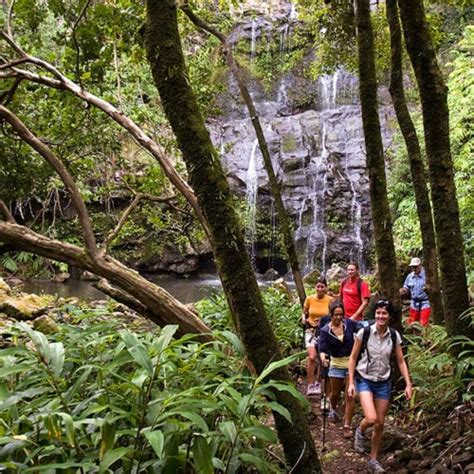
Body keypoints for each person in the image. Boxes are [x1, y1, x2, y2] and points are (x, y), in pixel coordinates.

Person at [348, 300, 413, 473]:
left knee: (380, 424)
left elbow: (400, 360)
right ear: (374, 315)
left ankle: (373, 460)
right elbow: (353, 358)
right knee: (371, 419)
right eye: (378, 313)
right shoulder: (365, 332)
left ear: (390, 316)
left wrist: (408, 383)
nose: (381, 316)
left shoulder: (394, 336)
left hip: (383, 382)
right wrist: (350, 382)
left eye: (384, 314)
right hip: (365, 379)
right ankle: (360, 431)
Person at [319, 300, 358, 439]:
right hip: (335, 364)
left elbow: (362, 329)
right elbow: (322, 349)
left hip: (350, 364)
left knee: (350, 395)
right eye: (336, 315)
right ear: (331, 315)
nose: (339, 317)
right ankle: (333, 409)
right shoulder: (325, 331)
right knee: (335, 394)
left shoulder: (349, 324)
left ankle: (347, 425)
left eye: (341, 314)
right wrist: (324, 358)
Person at [302, 277, 333, 395]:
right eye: (318, 286)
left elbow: (334, 315)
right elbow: (304, 312)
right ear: (315, 287)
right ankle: (310, 384)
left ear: (326, 288)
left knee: (322, 358)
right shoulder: (309, 299)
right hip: (311, 330)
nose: (320, 289)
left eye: (322, 287)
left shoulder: (330, 300)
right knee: (311, 357)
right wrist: (304, 319)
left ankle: (319, 384)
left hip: (324, 332)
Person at [399, 257, 430, 326]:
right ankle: (415, 336)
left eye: (416, 266)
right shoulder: (410, 276)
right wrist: (403, 291)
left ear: (420, 265)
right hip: (414, 303)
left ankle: (425, 336)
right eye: (413, 267)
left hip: (425, 302)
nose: (414, 268)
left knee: (424, 323)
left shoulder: (426, 275)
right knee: (413, 323)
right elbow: (406, 287)